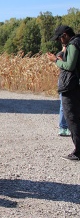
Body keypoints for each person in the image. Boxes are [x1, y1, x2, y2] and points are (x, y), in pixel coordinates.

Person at [46, 25, 80, 161]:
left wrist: (55, 61)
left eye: (60, 38)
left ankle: (78, 152)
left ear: (65, 35)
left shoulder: (74, 44)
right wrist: (62, 53)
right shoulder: (75, 42)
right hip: (76, 85)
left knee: (72, 119)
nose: (60, 41)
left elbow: (69, 66)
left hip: (71, 87)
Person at [56, 47, 71, 137]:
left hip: (69, 80)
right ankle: (63, 127)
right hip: (64, 80)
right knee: (63, 104)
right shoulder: (63, 53)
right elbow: (59, 57)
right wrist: (63, 50)